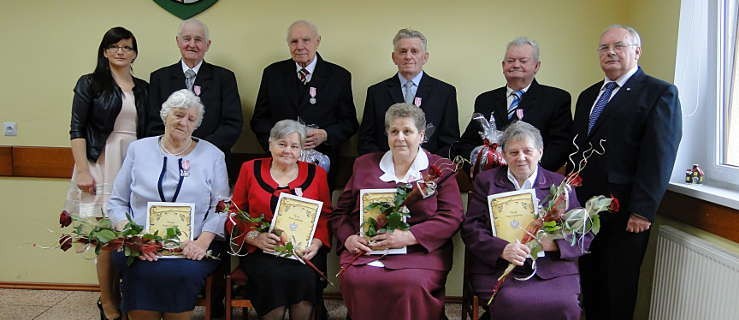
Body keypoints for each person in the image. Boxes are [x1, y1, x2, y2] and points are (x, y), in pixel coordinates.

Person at [570, 25, 682, 320]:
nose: (610, 52)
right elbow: (580, 149)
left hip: (626, 214)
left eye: (618, 46)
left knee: (617, 290)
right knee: (589, 285)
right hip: (585, 212)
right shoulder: (588, 95)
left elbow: (659, 156)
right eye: (604, 48)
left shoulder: (659, 93)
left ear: (637, 51)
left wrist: (643, 211)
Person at [330, 103, 464, 320]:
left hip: (419, 251)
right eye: (394, 131)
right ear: (387, 134)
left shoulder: (441, 168)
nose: (400, 137)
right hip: (367, 249)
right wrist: (348, 239)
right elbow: (340, 213)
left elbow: (452, 216)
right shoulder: (363, 164)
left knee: (409, 284)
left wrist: (409, 237)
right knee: (356, 279)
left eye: (407, 131)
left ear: (421, 136)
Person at [108, 89, 229, 320]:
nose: (184, 122)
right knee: (137, 267)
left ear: (196, 125)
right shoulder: (138, 149)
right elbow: (117, 202)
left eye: (191, 119)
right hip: (141, 243)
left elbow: (222, 206)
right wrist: (132, 236)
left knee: (183, 271)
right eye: (179, 115)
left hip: (191, 244)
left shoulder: (213, 155)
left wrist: (202, 242)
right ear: (166, 115)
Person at [461, 121, 589, 319]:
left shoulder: (560, 185)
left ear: (540, 152)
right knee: (512, 301)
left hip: (551, 269)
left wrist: (553, 244)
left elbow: (583, 232)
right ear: (503, 155)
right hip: (501, 268)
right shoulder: (486, 182)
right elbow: (471, 228)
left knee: (565, 304)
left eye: (527, 151)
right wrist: (502, 249)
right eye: (513, 152)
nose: (521, 158)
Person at [66, 26, 148, 320]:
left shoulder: (144, 87)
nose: (120, 52)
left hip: (134, 160)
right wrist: (84, 171)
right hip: (100, 161)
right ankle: (109, 305)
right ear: (104, 51)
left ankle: (125, 298)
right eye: (114, 46)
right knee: (106, 239)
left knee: (127, 236)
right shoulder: (90, 83)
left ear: (135, 53)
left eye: (126, 47)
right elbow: (77, 129)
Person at [227, 119, 332, 320]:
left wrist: (317, 243)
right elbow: (234, 213)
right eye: (282, 144)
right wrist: (253, 236)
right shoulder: (250, 169)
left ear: (301, 149)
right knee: (272, 277)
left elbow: (326, 215)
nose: (287, 151)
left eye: (294, 146)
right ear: (270, 144)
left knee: (303, 276)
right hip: (261, 251)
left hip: (303, 251)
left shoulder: (316, 174)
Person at [251, 20, 358, 181]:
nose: (299, 46)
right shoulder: (272, 73)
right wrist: (278, 144)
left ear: (317, 41)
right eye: (294, 41)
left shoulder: (339, 76)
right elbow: (259, 120)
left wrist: (326, 134)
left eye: (306, 40)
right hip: (278, 164)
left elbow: (349, 123)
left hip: (321, 165)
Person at [455, 37, 572, 171]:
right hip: (490, 181)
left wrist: (529, 171)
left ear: (537, 66)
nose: (516, 65)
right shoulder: (485, 100)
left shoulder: (556, 99)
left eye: (523, 61)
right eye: (510, 61)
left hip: (535, 181)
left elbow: (560, 146)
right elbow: (467, 143)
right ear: (503, 66)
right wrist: (479, 165)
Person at [147, 18, 243, 180]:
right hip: (168, 162)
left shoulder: (224, 78)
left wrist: (198, 149)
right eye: (187, 39)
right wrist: (176, 149)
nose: (192, 44)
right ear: (178, 41)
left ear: (208, 44)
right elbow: (153, 123)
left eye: (198, 40)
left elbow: (232, 124)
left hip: (212, 160)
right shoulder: (159, 78)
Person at [358, 28, 459, 157]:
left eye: (414, 51)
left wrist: (431, 167)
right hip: (384, 167)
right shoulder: (376, 92)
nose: (408, 56)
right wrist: (384, 163)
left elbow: (450, 141)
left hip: (430, 170)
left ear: (425, 57)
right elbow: (366, 140)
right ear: (394, 58)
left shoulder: (445, 92)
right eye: (403, 51)